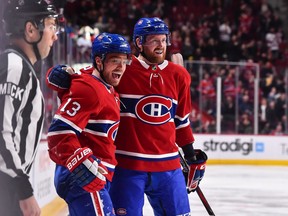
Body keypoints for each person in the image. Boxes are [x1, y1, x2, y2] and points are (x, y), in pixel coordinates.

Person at [48, 17, 207, 216]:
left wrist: (191, 156)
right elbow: (87, 78)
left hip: (168, 165)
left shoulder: (179, 75)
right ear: (139, 43)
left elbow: (181, 121)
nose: (160, 46)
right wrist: (62, 74)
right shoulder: (123, 67)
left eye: (164, 39)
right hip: (126, 166)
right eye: (153, 40)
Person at [46, 33, 131, 215]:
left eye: (124, 61)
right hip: (84, 177)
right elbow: (58, 132)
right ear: (99, 62)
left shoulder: (103, 86)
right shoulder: (90, 88)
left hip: (94, 175)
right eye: (115, 60)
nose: (121, 67)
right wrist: (80, 164)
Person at [0, 1, 60, 216]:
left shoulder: (19, 66)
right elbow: (2, 132)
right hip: (6, 188)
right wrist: (23, 191)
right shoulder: (14, 66)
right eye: (52, 26)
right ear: (31, 29)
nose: (55, 36)